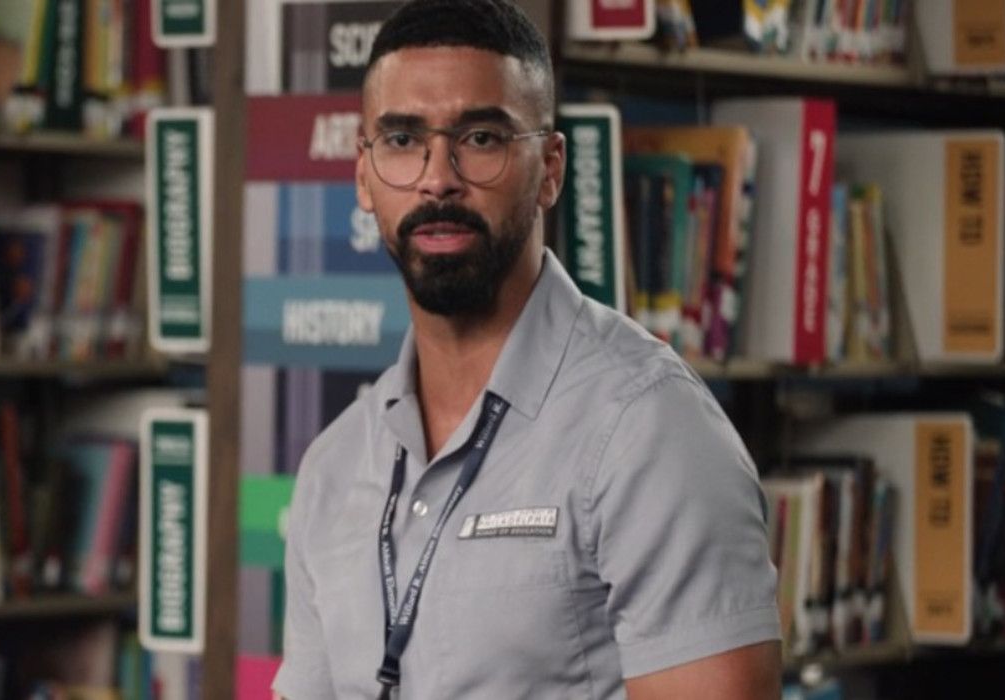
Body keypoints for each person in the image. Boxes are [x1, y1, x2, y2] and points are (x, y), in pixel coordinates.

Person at [272, 1, 782, 698]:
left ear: (549, 168)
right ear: (364, 174)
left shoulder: (649, 430)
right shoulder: (334, 469)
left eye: (481, 137)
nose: (437, 177)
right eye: (401, 140)